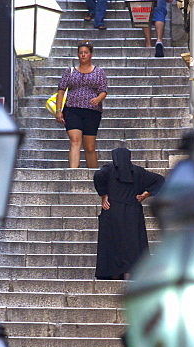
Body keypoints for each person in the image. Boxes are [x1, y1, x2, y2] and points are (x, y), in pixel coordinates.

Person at [93, 148, 165, 280]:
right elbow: (160, 180)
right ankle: (130, 275)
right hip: (133, 214)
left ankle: (113, 275)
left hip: (112, 212)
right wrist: (146, 194)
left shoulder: (108, 170)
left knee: (112, 245)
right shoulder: (138, 172)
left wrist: (103, 195)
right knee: (132, 246)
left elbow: (98, 176)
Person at [55, 41, 107, 169]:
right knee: (75, 140)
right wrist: (58, 110)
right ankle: (73, 173)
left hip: (92, 111)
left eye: (86, 52)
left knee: (89, 147)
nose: (83, 55)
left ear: (91, 54)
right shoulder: (70, 71)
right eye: (81, 53)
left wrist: (98, 99)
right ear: (78, 55)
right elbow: (61, 91)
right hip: (72, 109)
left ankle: (94, 176)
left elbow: (103, 90)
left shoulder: (99, 72)